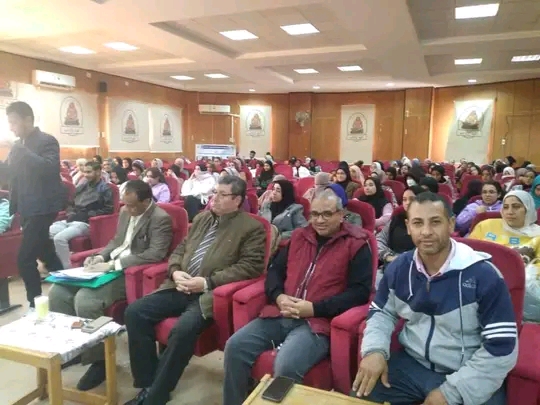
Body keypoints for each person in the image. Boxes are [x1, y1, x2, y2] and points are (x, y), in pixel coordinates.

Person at [352, 192, 517, 405]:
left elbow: (502, 347)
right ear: (408, 227)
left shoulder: (484, 275)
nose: (426, 232)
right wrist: (374, 350)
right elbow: (381, 312)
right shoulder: (400, 267)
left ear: (451, 224)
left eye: (435, 222)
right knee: (359, 395)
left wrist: (451, 392)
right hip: (412, 365)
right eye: (418, 223)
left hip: (469, 372)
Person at [123, 176, 266, 405]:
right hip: (179, 286)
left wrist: (207, 282)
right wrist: (175, 271)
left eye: (222, 194)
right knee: (135, 312)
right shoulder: (201, 218)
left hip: (208, 295)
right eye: (214, 192)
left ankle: (156, 395)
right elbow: (180, 250)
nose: (214, 198)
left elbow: (250, 267)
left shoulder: (252, 227)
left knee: (182, 330)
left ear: (237, 200)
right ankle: (147, 384)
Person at [223, 190, 373, 405]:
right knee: (235, 346)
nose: (319, 220)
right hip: (280, 312)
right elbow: (275, 271)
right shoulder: (299, 236)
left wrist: (314, 308)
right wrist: (278, 296)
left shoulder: (356, 243)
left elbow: (359, 293)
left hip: (317, 323)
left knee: (286, 364)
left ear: (341, 215)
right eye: (315, 214)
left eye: (327, 214)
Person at [49, 180, 173, 391]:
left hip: (130, 273)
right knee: (57, 293)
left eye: (132, 206)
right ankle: (75, 348)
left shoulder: (160, 219)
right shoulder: (125, 212)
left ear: (146, 201)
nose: (128, 209)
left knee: (86, 299)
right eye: (125, 204)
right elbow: (117, 241)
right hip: (108, 266)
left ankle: (100, 361)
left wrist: (113, 264)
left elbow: (156, 254)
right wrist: (100, 256)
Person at [2, 101, 65, 307]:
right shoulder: (18, 146)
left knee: (25, 259)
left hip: (42, 208)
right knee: (46, 253)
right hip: (26, 208)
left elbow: (49, 168)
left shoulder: (47, 141)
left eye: (14, 122)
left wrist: (21, 151)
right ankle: (70, 288)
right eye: (9, 122)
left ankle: (35, 305)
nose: (11, 127)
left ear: (28, 120)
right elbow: (7, 173)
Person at [49, 161, 114, 269]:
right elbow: (70, 204)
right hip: (71, 219)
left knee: (59, 238)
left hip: (86, 222)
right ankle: (55, 265)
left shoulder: (105, 188)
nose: (85, 175)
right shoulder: (81, 186)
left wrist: (87, 215)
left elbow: (108, 210)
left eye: (89, 172)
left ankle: (68, 269)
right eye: (84, 172)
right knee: (46, 233)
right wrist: (71, 213)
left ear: (98, 172)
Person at [469, 190, 540, 262]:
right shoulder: (485, 225)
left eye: (516, 207)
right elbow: (468, 251)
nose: (510, 212)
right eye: (505, 207)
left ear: (528, 209)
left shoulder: (537, 235)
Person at [375, 185, 425, 288]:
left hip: (417, 271)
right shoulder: (397, 219)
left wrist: (401, 259)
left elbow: (425, 251)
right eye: (404, 199)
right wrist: (388, 256)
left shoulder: (427, 223)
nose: (407, 202)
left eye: (412, 199)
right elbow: (379, 239)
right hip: (390, 263)